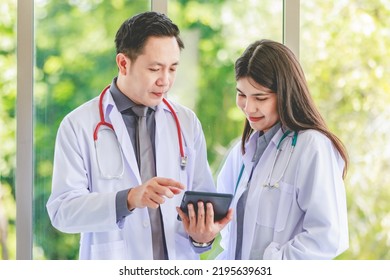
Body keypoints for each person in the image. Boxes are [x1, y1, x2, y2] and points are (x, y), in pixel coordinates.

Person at [46, 11, 231, 260]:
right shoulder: (79, 124)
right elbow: (62, 212)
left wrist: (202, 236)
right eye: (155, 69)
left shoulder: (186, 122)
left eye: (172, 69)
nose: (165, 81)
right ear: (123, 63)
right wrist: (130, 199)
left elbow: (200, 205)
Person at [216, 39, 349, 260]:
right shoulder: (240, 154)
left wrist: (274, 265)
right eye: (241, 94)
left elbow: (326, 237)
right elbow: (230, 237)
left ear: (286, 94)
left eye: (260, 97)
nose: (248, 108)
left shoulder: (312, 147)